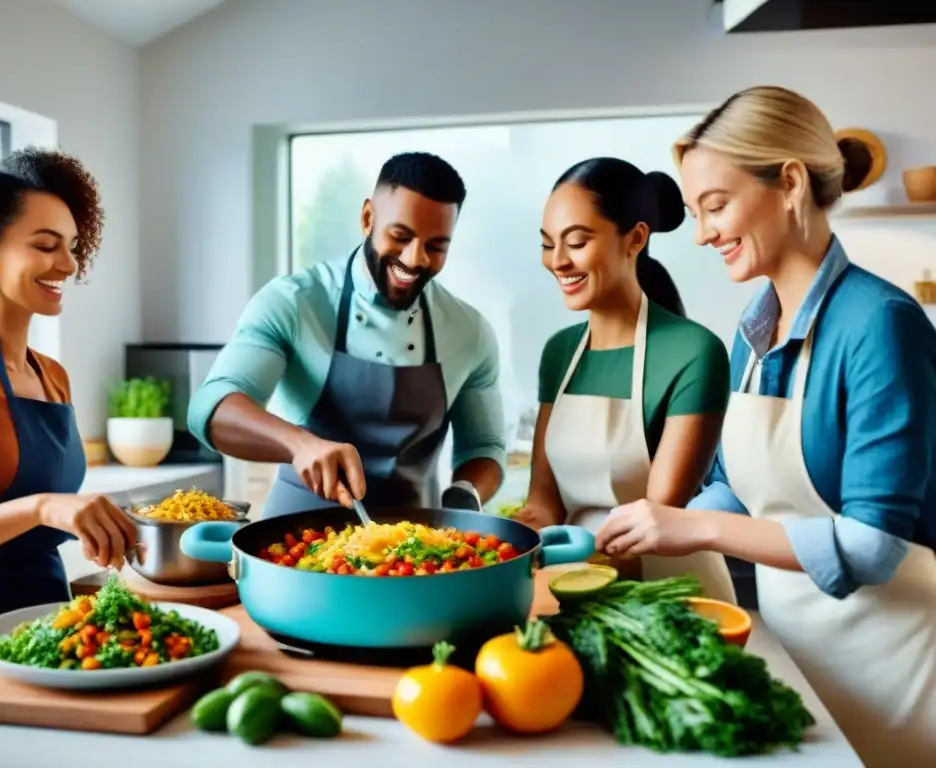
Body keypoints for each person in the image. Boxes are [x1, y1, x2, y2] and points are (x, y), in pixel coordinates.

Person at [595, 86, 936, 766]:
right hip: (803, 662)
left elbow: (871, 547)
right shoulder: (753, 333)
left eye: (715, 206)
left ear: (788, 183)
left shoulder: (881, 325)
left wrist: (693, 526)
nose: (702, 233)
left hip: (901, 672)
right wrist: (642, 527)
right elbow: (734, 489)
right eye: (695, 213)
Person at [188, 152, 505, 516]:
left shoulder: (470, 331)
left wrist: (464, 495)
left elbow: (484, 445)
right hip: (294, 541)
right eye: (400, 236)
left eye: (436, 247)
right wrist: (300, 444)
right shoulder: (294, 302)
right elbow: (209, 409)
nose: (416, 259)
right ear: (368, 217)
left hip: (414, 554)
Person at [0, 149, 137, 656]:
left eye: (74, 246)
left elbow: (52, 513)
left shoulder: (52, 376)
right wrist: (40, 508)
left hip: (50, 623)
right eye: (45, 245)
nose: (69, 264)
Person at [514, 157, 735, 602]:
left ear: (634, 238)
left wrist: (556, 568)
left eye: (576, 242)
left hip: (666, 594)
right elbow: (544, 505)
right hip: (573, 585)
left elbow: (655, 519)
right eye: (547, 244)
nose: (558, 261)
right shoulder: (560, 353)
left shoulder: (694, 352)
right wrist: (496, 543)